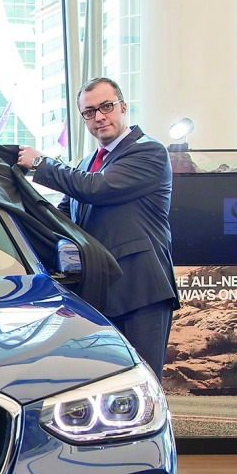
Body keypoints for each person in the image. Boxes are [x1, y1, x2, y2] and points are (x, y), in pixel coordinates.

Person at [17, 77, 178, 379]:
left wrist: (40, 163)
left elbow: (97, 188)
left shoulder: (149, 151)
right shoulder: (88, 161)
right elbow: (61, 218)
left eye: (106, 106)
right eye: (89, 112)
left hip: (140, 290)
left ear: (123, 106)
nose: (99, 117)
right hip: (100, 293)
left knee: (141, 382)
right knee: (104, 386)